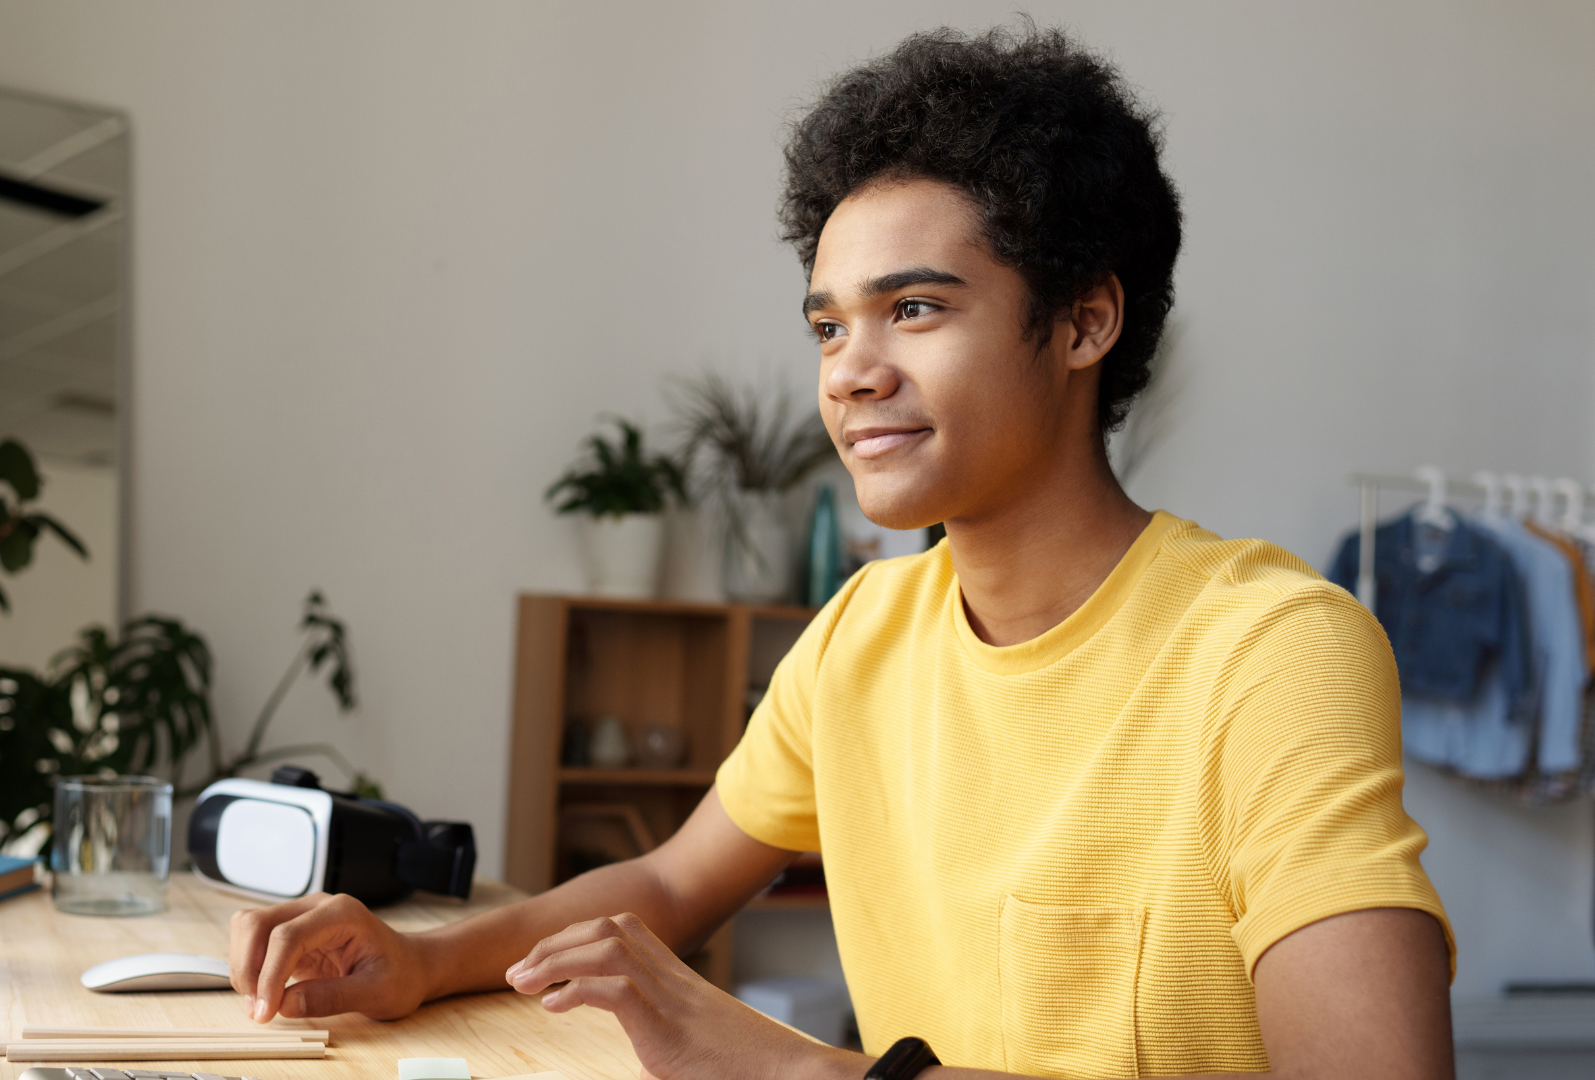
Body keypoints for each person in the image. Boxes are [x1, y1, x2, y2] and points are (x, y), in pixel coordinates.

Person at [229, 25, 1454, 1080]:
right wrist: (422, 957)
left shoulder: (1271, 651)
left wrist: (804, 1067)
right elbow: (666, 888)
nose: (852, 372)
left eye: (914, 310)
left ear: (1085, 321)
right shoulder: (864, 634)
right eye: (830, 324)